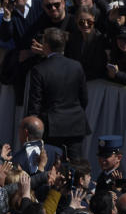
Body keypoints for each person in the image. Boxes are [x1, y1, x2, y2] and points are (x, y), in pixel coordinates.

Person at [27, 27, 91, 159]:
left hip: (52, 126)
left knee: (51, 166)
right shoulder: (76, 66)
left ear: (46, 45)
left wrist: (32, 127)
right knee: (75, 164)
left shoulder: (39, 69)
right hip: (75, 124)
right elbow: (84, 98)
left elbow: (35, 103)